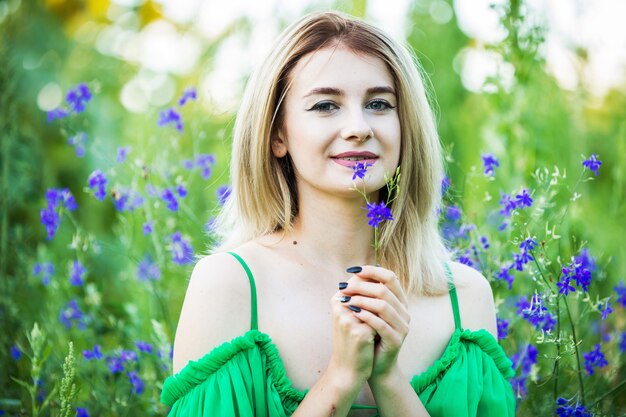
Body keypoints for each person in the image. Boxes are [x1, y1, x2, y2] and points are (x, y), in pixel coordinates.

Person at [161, 11, 516, 417]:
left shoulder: (465, 299)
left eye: (379, 104)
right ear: (278, 134)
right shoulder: (230, 286)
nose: (358, 127)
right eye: (326, 105)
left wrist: (388, 379)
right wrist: (341, 378)